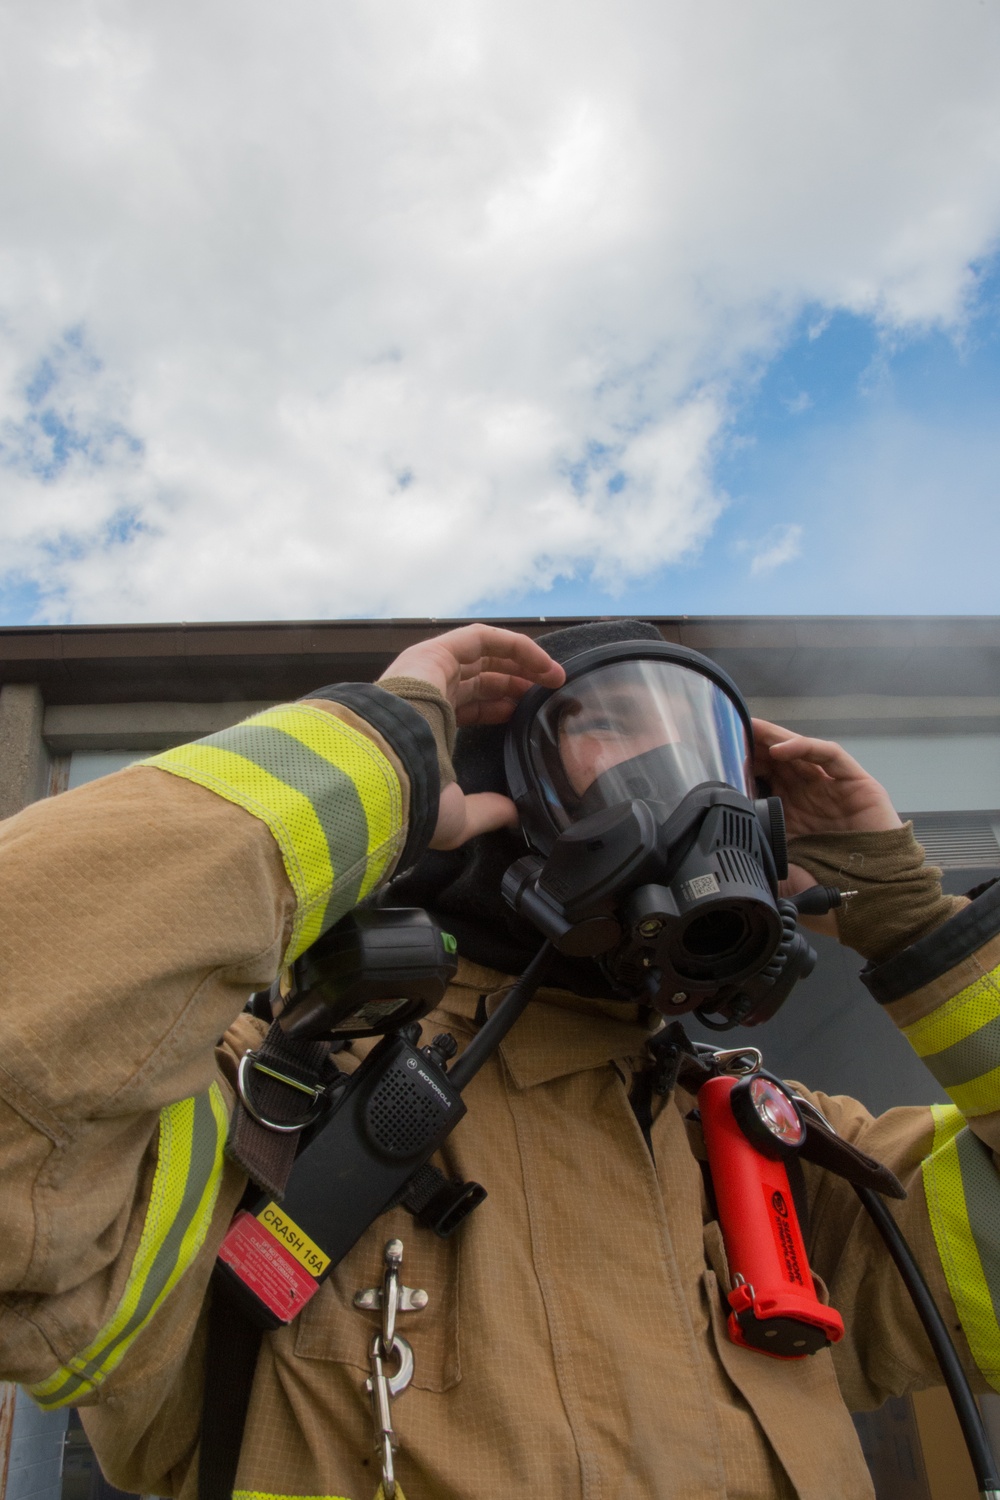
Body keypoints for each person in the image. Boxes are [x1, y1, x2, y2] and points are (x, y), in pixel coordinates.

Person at [0, 618, 996, 1500]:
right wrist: (367, 759)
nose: (678, 780)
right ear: (492, 785)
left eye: (706, 754)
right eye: (610, 730)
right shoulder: (253, 1114)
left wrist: (916, 928)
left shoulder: (771, 1168)